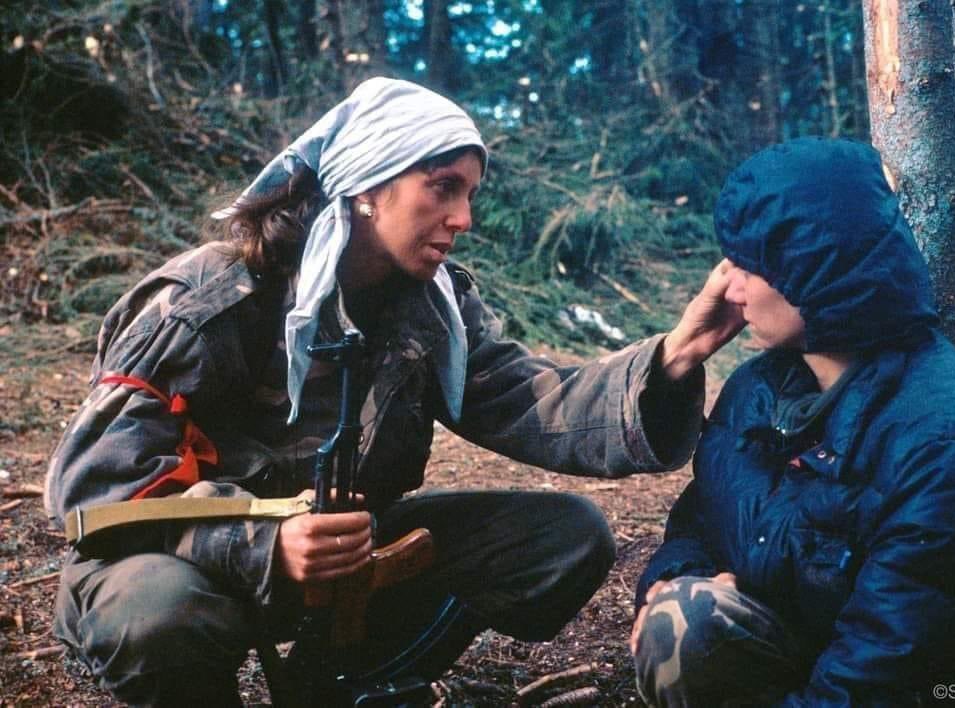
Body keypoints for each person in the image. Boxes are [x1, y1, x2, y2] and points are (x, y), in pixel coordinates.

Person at [44, 77, 741, 707]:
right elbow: (92, 493)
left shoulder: (430, 308)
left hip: (346, 562)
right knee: (157, 615)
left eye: (469, 193)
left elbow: (533, 402)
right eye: (443, 187)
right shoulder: (207, 303)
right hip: (180, 565)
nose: (463, 217)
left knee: (564, 537)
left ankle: (335, 690)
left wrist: (676, 354)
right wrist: (264, 544)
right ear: (367, 186)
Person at [631, 137, 955, 706]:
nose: (727, 289)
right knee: (681, 619)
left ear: (814, 273)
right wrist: (674, 575)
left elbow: (885, 667)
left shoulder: (938, 443)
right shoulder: (760, 387)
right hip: (809, 656)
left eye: (747, 266)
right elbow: (701, 518)